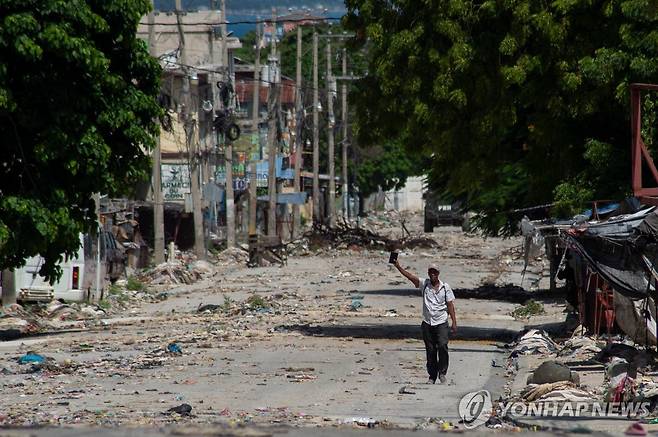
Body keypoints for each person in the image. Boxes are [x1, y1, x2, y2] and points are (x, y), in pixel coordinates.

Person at [394, 259, 457, 384]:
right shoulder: (424, 284)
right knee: (430, 349)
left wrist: (454, 322)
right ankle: (432, 376)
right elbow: (410, 277)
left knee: (443, 346)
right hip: (427, 323)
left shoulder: (445, 287)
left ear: (438, 273)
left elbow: (450, 305)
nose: (432, 274)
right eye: (430, 272)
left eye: (435, 272)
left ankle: (442, 373)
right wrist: (398, 267)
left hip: (441, 322)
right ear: (428, 273)